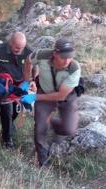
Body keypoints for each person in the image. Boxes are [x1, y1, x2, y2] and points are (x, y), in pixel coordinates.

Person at [28, 38, 83, 167]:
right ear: (55, 53)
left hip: (66, 96)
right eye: (63, 57)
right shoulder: (41, 55)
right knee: (40, 127)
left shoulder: (74, 68)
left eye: (69, 57)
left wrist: (34, 98)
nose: (67, 61)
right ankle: (43, 161)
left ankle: (51, 122)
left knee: (69, 129)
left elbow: (60, 95)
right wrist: (29, 79)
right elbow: (28, 61)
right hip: (44, 89)